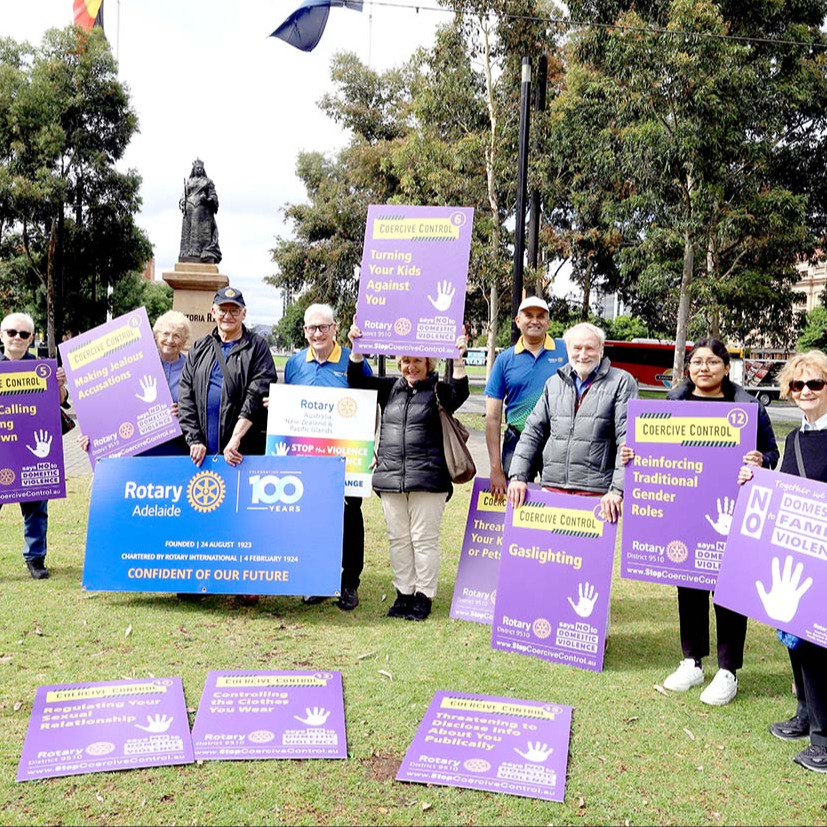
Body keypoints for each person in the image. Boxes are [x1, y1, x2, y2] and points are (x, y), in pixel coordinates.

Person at [625, 337, 778, 706]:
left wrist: (762, 461)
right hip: (687, 511)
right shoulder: (674, 403)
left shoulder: (749, 408)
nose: (703, 368)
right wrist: (634, 454)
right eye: (696, 362)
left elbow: (772, 453)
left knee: (729, 592)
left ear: (726, 367)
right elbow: (653, 447)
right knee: (689, 585)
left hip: (732, 514)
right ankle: (692, 661)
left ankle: (728, 671)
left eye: (712, 362)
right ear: (688, 368)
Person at [739, 350, 827, 771]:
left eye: (815, 383)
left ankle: (824, 741)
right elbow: (786, 489)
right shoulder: (795, 438)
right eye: (798, 384)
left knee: (818, 648)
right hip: (798, 555)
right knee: (796, 637)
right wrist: (757, 476)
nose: (805, 391)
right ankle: (806, 714)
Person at [347, 321, 469, 621]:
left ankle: (423, 596)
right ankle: (403, 593)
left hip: (428, 479)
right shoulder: (389, 389)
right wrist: (357, 350)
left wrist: (458, 357)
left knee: (423, 539)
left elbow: (460, 394)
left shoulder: (439, 391)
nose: (410, 367)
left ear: (428, 363)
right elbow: (357, 382)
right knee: (397, 538)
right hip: (390, 477)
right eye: (405, 361)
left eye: (417, 361)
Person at [282, 303, 372, 611]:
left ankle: (349, 584)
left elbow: (369, 404)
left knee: (349, 518)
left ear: (335, 328)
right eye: (311, 328)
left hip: (345, 459)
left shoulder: (352, 361)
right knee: (313, 518)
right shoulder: (295, 364)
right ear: (304, 331)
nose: (317, 333)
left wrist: (371, 448)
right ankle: (319, 580)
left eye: (323, 327)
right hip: (307, 460)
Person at [506, 321, 637, 524]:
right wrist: (517, 477)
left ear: (601, 349)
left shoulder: (621, 382)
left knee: (588, 556)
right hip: (552, 487)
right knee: (549, 554)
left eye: (590, 348)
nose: (583, 354)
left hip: (595, 493)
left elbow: (627, 441)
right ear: (568, 349)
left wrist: (618, 490)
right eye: (577, 348)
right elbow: (532, 432)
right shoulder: (554, 383)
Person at [0, 312, 68, 580]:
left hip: (32, 450)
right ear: (2, 335)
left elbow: (60, 402)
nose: (17, 338)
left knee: (36, 509)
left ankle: (35, 558)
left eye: (24, 334)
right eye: (12, 332)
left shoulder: (42, 368)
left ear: (31, 339)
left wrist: (59, 385)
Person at [178, 286, 277, 469]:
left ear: (244, 314)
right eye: (223, 310)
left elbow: (256, 395)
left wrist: (236, 437)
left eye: (234, 310)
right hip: (201, 456)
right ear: (213, 312)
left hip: (241, 455)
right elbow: (185, 396)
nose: (228, 316)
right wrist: (194, 440)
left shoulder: (257, 347)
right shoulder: (200, 347)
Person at [484, 296, 566, 495]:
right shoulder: (504, 359)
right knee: (514, 500)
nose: (534, 321)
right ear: (517, 321)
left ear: (548, 322)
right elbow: (492, 418)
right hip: (517, 439)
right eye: (528, 315)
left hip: (557, 438)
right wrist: (496, 469)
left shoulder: (567, 352)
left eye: (540, 316)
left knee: (557, 499)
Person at [179, 158, 222, 264]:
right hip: (189, 209)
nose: (199, 169)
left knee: (198, 222)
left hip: (202, 210)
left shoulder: (207, 182)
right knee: (187, 230)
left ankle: (199, 251)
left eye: (201, 168)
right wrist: (182, 201)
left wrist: (207, 199)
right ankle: (186, 251)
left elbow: (214, 197)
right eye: (197, 167)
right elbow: (184, 195)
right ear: (194, 168)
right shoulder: (189, 182)